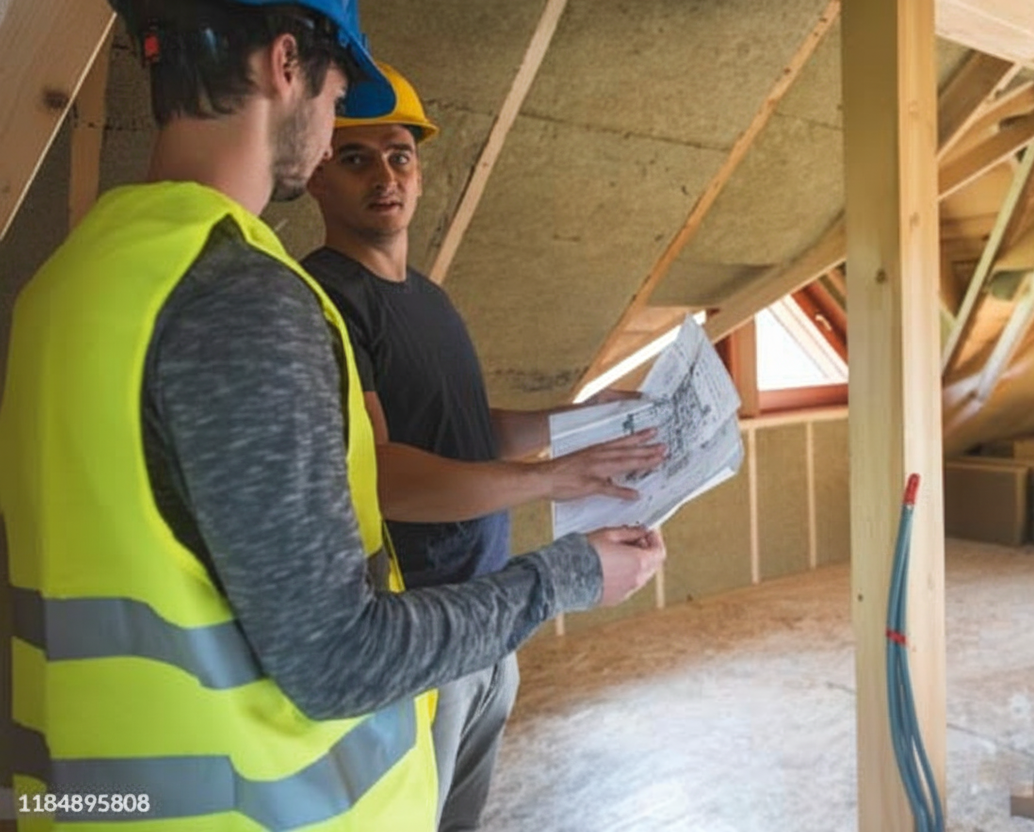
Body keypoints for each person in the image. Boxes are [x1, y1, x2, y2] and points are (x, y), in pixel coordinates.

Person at [0, 1, 665, 830]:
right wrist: (571, 575)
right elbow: (338, 660)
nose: (334, 122)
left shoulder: (64, 281)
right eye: (339, 91)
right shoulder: (242, 300)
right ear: (287, 64)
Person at [302, 62, 665, 831]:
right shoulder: (329, 297)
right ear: (315, 177)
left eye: (400, 155)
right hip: (416, 624)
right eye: (355, 157)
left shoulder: (426, 297)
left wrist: (578, 423)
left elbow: (472, 430)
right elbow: (386, 478)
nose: (385, 176)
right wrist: (550, 482)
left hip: (488, 611)